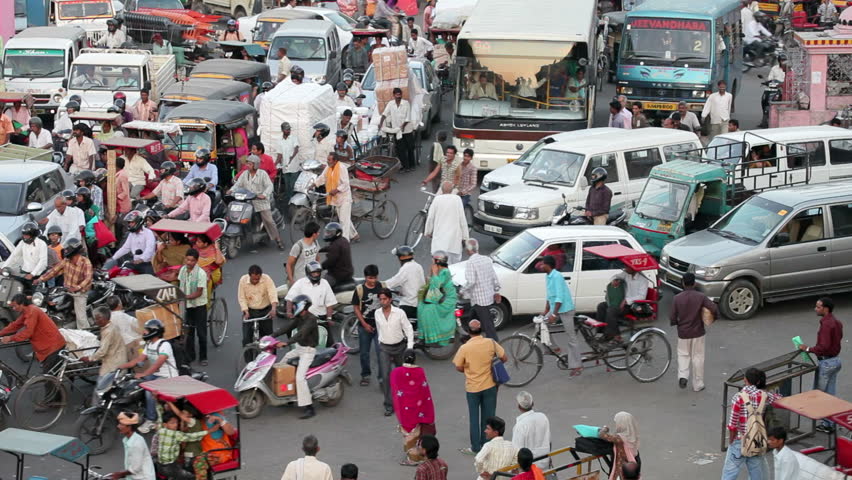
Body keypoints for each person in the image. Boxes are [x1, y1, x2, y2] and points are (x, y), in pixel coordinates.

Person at [454, 319, 507, 454]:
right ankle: (488, 445)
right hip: (490, 386)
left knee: (474, 418)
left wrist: (468, 370)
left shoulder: (464, 348)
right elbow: (504, 358)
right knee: (489, 416)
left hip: (472, 388)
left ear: (468, 331)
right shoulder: (490, 343)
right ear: (481, 329)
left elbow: (458, 366)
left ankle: (476, 448)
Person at [118, 319, 179, 433]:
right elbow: (138, 360)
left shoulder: (164, 345)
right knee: (134, 386)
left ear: (154, 331)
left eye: (146, 330)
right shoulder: (149, 344)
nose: (144, 332)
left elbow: (158, 364)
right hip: (155, 375)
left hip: (168, 377)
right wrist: (119, 367)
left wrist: (144, 374)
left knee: (149, 392)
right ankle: (142, 410)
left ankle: (151, 420)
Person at [722, 367, 781, 480]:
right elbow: (778, 399)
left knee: (730, 473)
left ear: (745, 380)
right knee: (756, 473)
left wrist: (732, 441)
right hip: (756, 440)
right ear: (758, 381)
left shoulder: (738, 398)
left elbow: (732, 424)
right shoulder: (764, 396)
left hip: (740, 440)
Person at [798, 297, 842, 432]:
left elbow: (823, 346)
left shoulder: (826, 325)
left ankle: (827, 424)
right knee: (830, 394)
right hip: (835, 360)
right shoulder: (836, 322)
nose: (815, 309)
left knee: (821, 395)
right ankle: (831, 423)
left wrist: (807, 349)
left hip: (826, 362)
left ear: (825, 308)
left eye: (818, 307)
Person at [670, 273, 718, 392]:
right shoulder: (700, 296)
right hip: (698, 332)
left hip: (683, 333)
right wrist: (714, 317)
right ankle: (698, 384)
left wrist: (676, 322)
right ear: (694, 283)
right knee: (698, 357)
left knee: (683, 355)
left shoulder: (677, 298)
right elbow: (714, 308)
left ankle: (683, 376)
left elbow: (672, 316)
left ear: (683, 283)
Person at [276, 294, 320, 419]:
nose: (293, 307)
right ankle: (287, 394)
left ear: (302, 306)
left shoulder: (311, 319)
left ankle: (309, 407)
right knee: (282, 364)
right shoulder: (299, 317)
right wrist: (271, 336)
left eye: (295, 305)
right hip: (300, 349)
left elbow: (301, 334)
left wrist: (287, 342)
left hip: (308, 351)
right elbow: (286, 328)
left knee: (300, 378)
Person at [371, 289, 413, 416]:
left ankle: (406, 401)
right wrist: (380, 342)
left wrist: (410, 347)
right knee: (385, 376)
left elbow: (408, 328)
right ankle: (389, 404)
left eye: (384, 299)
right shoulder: (377, 313)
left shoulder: (399, 313)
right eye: (380, 299)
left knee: (403, 376)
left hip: (400, 347)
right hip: (384, 348)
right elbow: (379, 329)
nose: (382, 302)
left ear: (390, 299)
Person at [0, 294, 65, 375]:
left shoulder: (32, 311)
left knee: (49, 377)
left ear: (22, 304)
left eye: (15, 306)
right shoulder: (26, 311)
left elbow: (28, 332)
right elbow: (15, 325)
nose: (13, 309)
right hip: (46, 345)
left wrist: (10, 338)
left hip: (52, 346)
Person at [229, 154, 285, 250]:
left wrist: (264, 194)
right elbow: (238, 184)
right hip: (247, 201)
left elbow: (269, 186)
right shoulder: (244, 174)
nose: (247, 165)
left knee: (269, 221)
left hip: (260, 201)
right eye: (247, 163)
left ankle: (278, 239)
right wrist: (231, 190)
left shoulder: (262, 174)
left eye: (250, 164)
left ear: (255, 165)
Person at [391, 349, 436, 465]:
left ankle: (412, 459)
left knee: (409, 434)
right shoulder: (420, 371)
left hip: (405, 410)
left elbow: (395, 389)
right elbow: (424, 390)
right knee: (419, 432)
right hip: (419, 409)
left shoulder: (396, 372)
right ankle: (420, 455)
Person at [36, 238, 92, 329]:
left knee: (81, 318)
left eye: (67, 248)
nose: (65, 250)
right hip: (66, 290)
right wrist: (40, 279)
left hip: (80, 293)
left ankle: (86, 335)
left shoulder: (85, 262)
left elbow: (88, 279)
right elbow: (54, 270)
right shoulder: (66, 260)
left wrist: (77, 287)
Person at [540, 255, 582, 375]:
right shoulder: (547, 276)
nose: (541, 266)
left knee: (571, 337)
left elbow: (559, 297)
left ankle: (577, 365)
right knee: (541, 324)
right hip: (555, 308)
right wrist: (546, 310)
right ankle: (553, 348)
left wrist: (554, 314)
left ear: (548, 265)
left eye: (543, 264)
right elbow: (549, 294)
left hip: (565, 309)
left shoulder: (557, 276)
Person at [462, 239, 501, 340]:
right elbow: (494, 277)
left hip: (479, 299)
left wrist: (462, 291)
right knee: (472, 317)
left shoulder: (471, 263)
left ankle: (495, 346)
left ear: (468, 250)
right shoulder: (486, 259)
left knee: (488, 326)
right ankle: (468, 337)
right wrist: (496, 290)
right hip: (487, 297)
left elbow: (471, 281)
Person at [352, 265, 384, 386]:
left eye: (375, 278)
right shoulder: (359, 290)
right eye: (370, 278)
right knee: (364, 353)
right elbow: (356, 308)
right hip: (364, 327)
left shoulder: (381, 286)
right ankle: (365, 375)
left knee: (381, 353)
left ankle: (382, 378)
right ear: (366, 277)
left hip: (379, 327)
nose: (373, 281)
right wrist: (364, 324)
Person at [177, 248, 209, 366]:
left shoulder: (201, 273)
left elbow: (199, 292)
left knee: (201, 333)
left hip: (199, 305)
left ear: (196, 261)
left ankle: (203, 357)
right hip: (187, 305)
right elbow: (181, 284)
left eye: (192, 260)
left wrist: (185, 297)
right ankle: (190, 356)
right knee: (189, 332)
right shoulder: (183, 270)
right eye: (188, 259)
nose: (189, 262)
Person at [418, 251, 458, 342]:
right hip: (441, 296)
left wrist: (434, 274)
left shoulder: (444, 272)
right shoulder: (441, 270)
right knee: (421, 305)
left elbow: (437, 285)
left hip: (447, 299)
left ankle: (432, 335)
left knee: (426, 310)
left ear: (437, 261)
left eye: (434, 260)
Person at [154, 410, 208, 478]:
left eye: (176, 422)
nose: (176, 425)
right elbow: (191, 437)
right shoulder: (175, 434)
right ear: (165, 424)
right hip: (170, 467)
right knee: (190, 477)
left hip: (160, 465)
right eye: (172, 423)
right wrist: (208, 431)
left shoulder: (161, 430)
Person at [424, 182, 468, 265]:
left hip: (440, 241)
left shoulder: (437, 199)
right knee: (453, 267)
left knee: (439, 266)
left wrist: (428, 231)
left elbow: (430, 217)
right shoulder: (457, 199)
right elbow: (462, 219)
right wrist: (465, 236)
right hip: (454, 241)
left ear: (441, 190)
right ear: (452, 190)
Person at [82, 306, 128, 381]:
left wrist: (90, 358)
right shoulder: (111, 326)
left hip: (114, 363)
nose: (95, 321)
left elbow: (103, 351)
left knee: (103, 384)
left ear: (103, 318)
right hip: (117, 358)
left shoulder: (108, 332)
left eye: (97, 318)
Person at [238, 264, 278, 346]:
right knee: (246, 339)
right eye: (253, 279)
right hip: (250, 312)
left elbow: (272, 293)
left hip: (265, 311)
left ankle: (270, 357)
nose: (255, 281)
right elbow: (241, 297)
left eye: (257, 279)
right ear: (249, 276)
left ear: (261, 276)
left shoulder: (266, 279)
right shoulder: (243, 280)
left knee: (268, 339)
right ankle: (249, 358)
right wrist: (245, 310)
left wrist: (273, 308)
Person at [109, 412, 156, 480]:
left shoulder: (136, 444)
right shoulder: (127, 439)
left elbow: (135, 469)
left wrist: (120, 474)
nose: (118, 426)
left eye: (121, 424)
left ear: (130, 427)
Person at [512, 391, 552, 472]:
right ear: (532, 403)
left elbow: (516, 450)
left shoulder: (520, 425)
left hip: (528, 467)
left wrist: (514, 468)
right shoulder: (543, 417)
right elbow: (549, 440)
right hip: (544, 463)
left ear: (519, 406)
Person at [379, 88, 416, 172]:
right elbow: (384, 114)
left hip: (407, 129)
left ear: (401, 95)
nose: (398, 96)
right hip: (397, 130)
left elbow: (408, 118)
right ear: (394, 95)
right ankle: (405, 166)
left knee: (410, 147)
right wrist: (381, 124)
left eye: (399, 95)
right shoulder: (391, 104)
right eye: (397, 95)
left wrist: (402, 126)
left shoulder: (406, 104)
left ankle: (412, 165)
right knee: (400, 149)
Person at [385, 245, 425, 320]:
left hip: (409, 305)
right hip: (420, 304)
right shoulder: (418, 266)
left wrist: (377, 284)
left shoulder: (406, 268)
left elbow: (392, 282)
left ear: (400, 258)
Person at [109, 211, 157, 275]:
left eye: (132, 222)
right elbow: (125, 248)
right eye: (129, 222)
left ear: (139, 221)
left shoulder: (148, 233)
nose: (130, 224)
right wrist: (113, 258)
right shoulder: (131, 234)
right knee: (121, 273)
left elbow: (149, 249)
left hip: (147, 264)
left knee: (147, 279)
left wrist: (142, 259)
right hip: (135, 263)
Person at [598, 412, 641, 480]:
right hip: (633, 464)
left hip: (622, 467)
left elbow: (601, 435)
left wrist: (605, 428)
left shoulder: (620, 438)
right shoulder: (632, 434)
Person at [319, 222, 354, 287]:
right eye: (327, 232)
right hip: (348, 272)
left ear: (337, 233)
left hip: (338, 275)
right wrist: (320, 250)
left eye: (330, 233)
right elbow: (331, 248)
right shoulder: (343, 240)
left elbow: (330, 262)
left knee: (321, 286)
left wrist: (319, 267)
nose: (327, 234)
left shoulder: (335, 245)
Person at [276, 122, 302, 206]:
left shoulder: (294, 138)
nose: (289, 131)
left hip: (294, 167)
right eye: (287, 129)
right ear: (283, 130)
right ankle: (288, 203)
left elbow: (296, 148)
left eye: (289, 129)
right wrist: (276, 163)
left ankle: (292, 203)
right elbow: (280, 154)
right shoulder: (280, 141)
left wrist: (292, 157)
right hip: (285, 167)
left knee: (293, 185)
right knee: (287, 186)